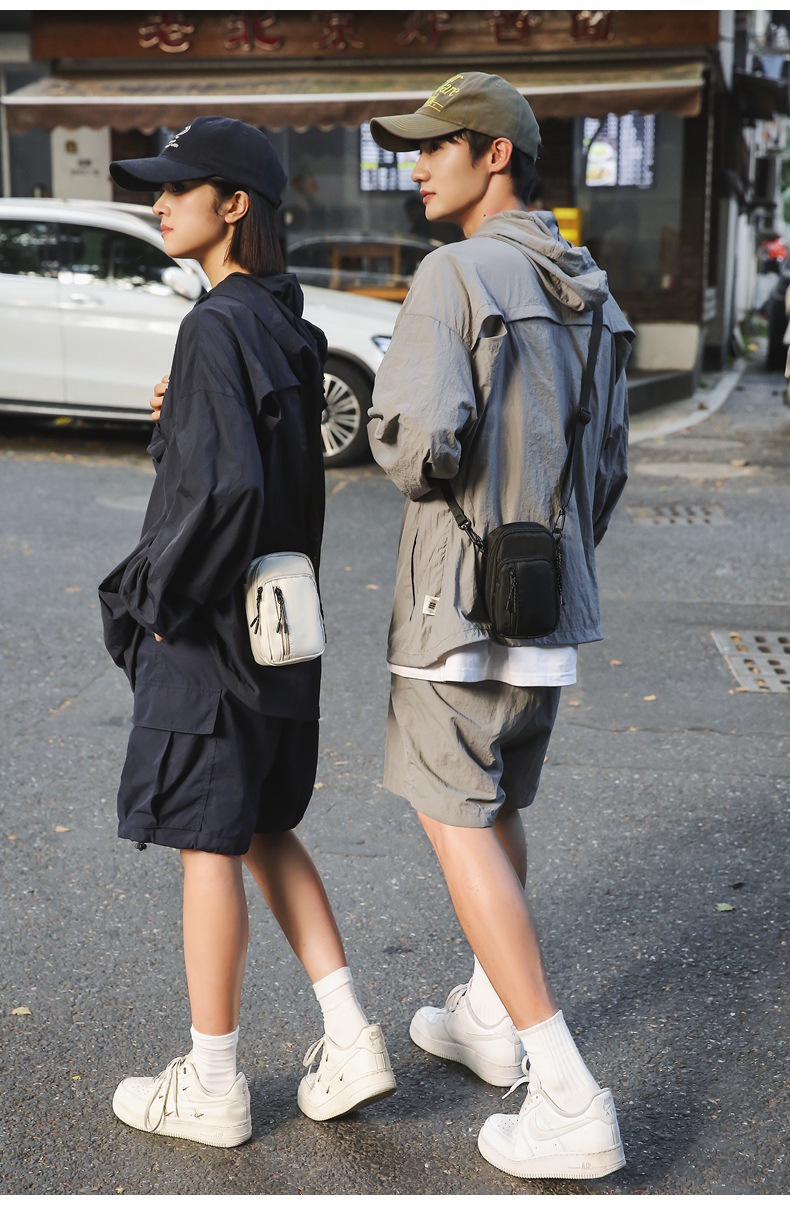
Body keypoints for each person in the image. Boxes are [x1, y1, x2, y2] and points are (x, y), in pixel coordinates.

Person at [98, 116, 395, 1149]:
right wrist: (177, 420)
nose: (158, 201)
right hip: (282, 622)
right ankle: (350, 1035)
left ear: (234, 205)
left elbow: (222, 493)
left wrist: (154, 601)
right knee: (265, 827)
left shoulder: (218, 325)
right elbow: (251, 468)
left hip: (214, 630)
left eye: (178, 187)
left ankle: (215, 1081)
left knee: (206, 844)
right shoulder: (280, 319)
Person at [367, 73, 633, 1180]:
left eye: (439, 146)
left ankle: (565, 1091)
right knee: (495, 798)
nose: (419, 165)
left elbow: (417, 444)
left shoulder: (456, 273)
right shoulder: (592, 289)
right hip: (547, 596)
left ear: (497, 155)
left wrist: (392, 425)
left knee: (455, 818)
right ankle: (486, 1012)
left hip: (459, 600)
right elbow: (606, 466)